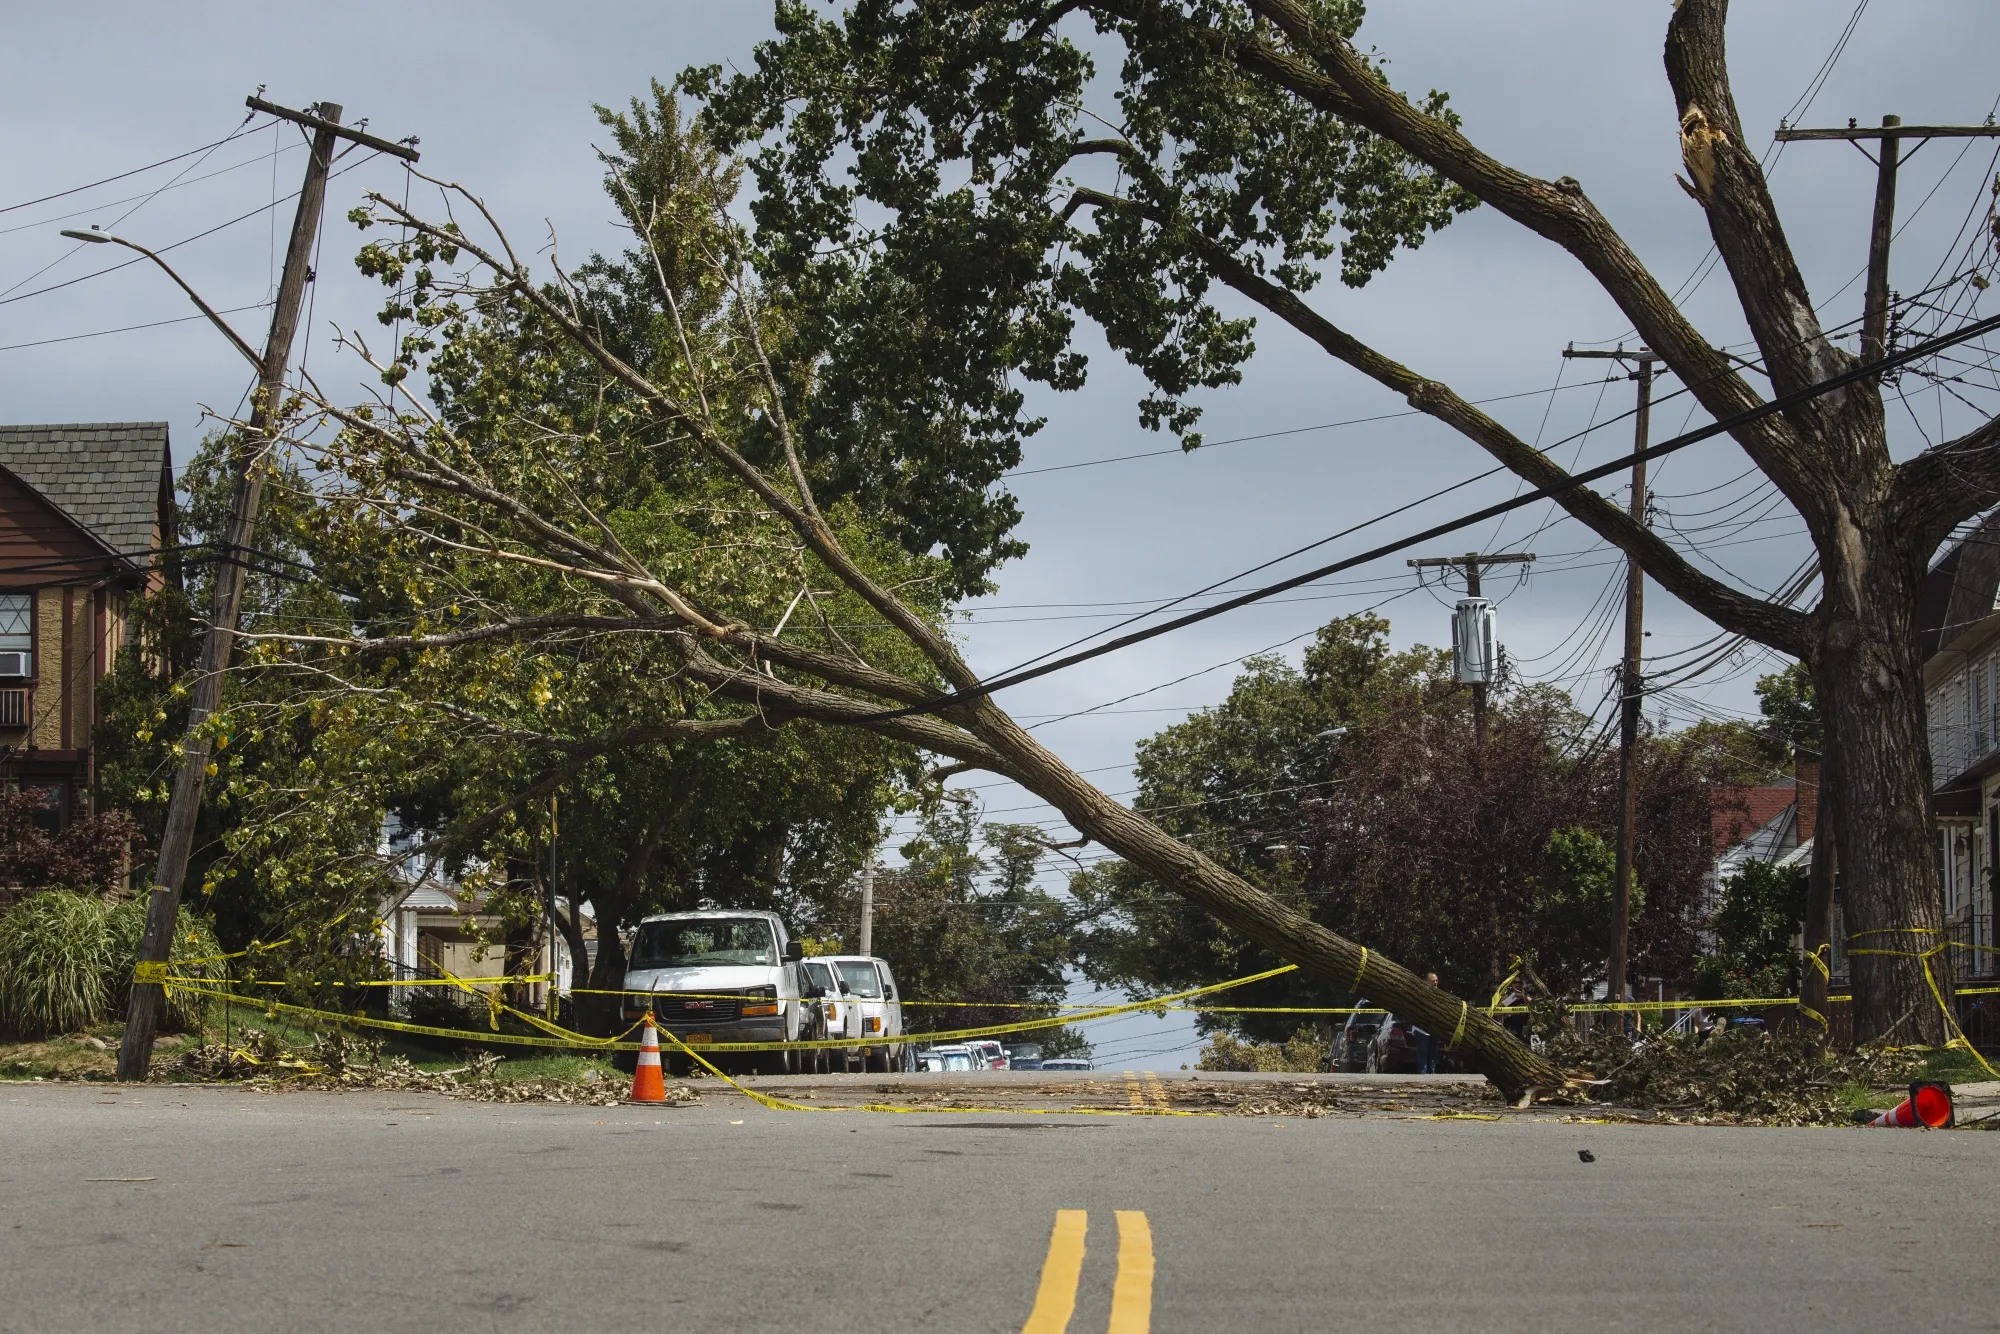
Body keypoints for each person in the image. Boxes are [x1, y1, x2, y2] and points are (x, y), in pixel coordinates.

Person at [1416, 972, 1441, 1074]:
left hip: (1434, 1029)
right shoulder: (1421, 994)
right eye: (1433, 981)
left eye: (1436, 980)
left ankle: (1432, 1076)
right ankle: (1423, 1077)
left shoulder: (1439, 995)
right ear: (1426, 982)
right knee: (1423, 1053)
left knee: (1433, 1054)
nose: (1435, 983)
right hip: (1421, 1030)